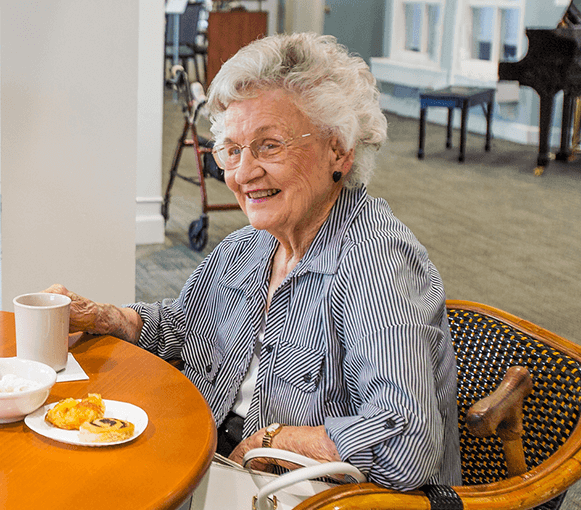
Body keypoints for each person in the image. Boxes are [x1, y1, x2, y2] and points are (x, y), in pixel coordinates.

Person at [47, 33, 460, 491]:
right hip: (219, 465)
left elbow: (406, 443)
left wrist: (274, 440)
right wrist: (108, 316)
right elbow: (186, 328)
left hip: (317, 496)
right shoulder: (247, 247)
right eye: (233, 150)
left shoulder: (374, 262)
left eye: (269, 146)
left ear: (339, 150)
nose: (243, 174)